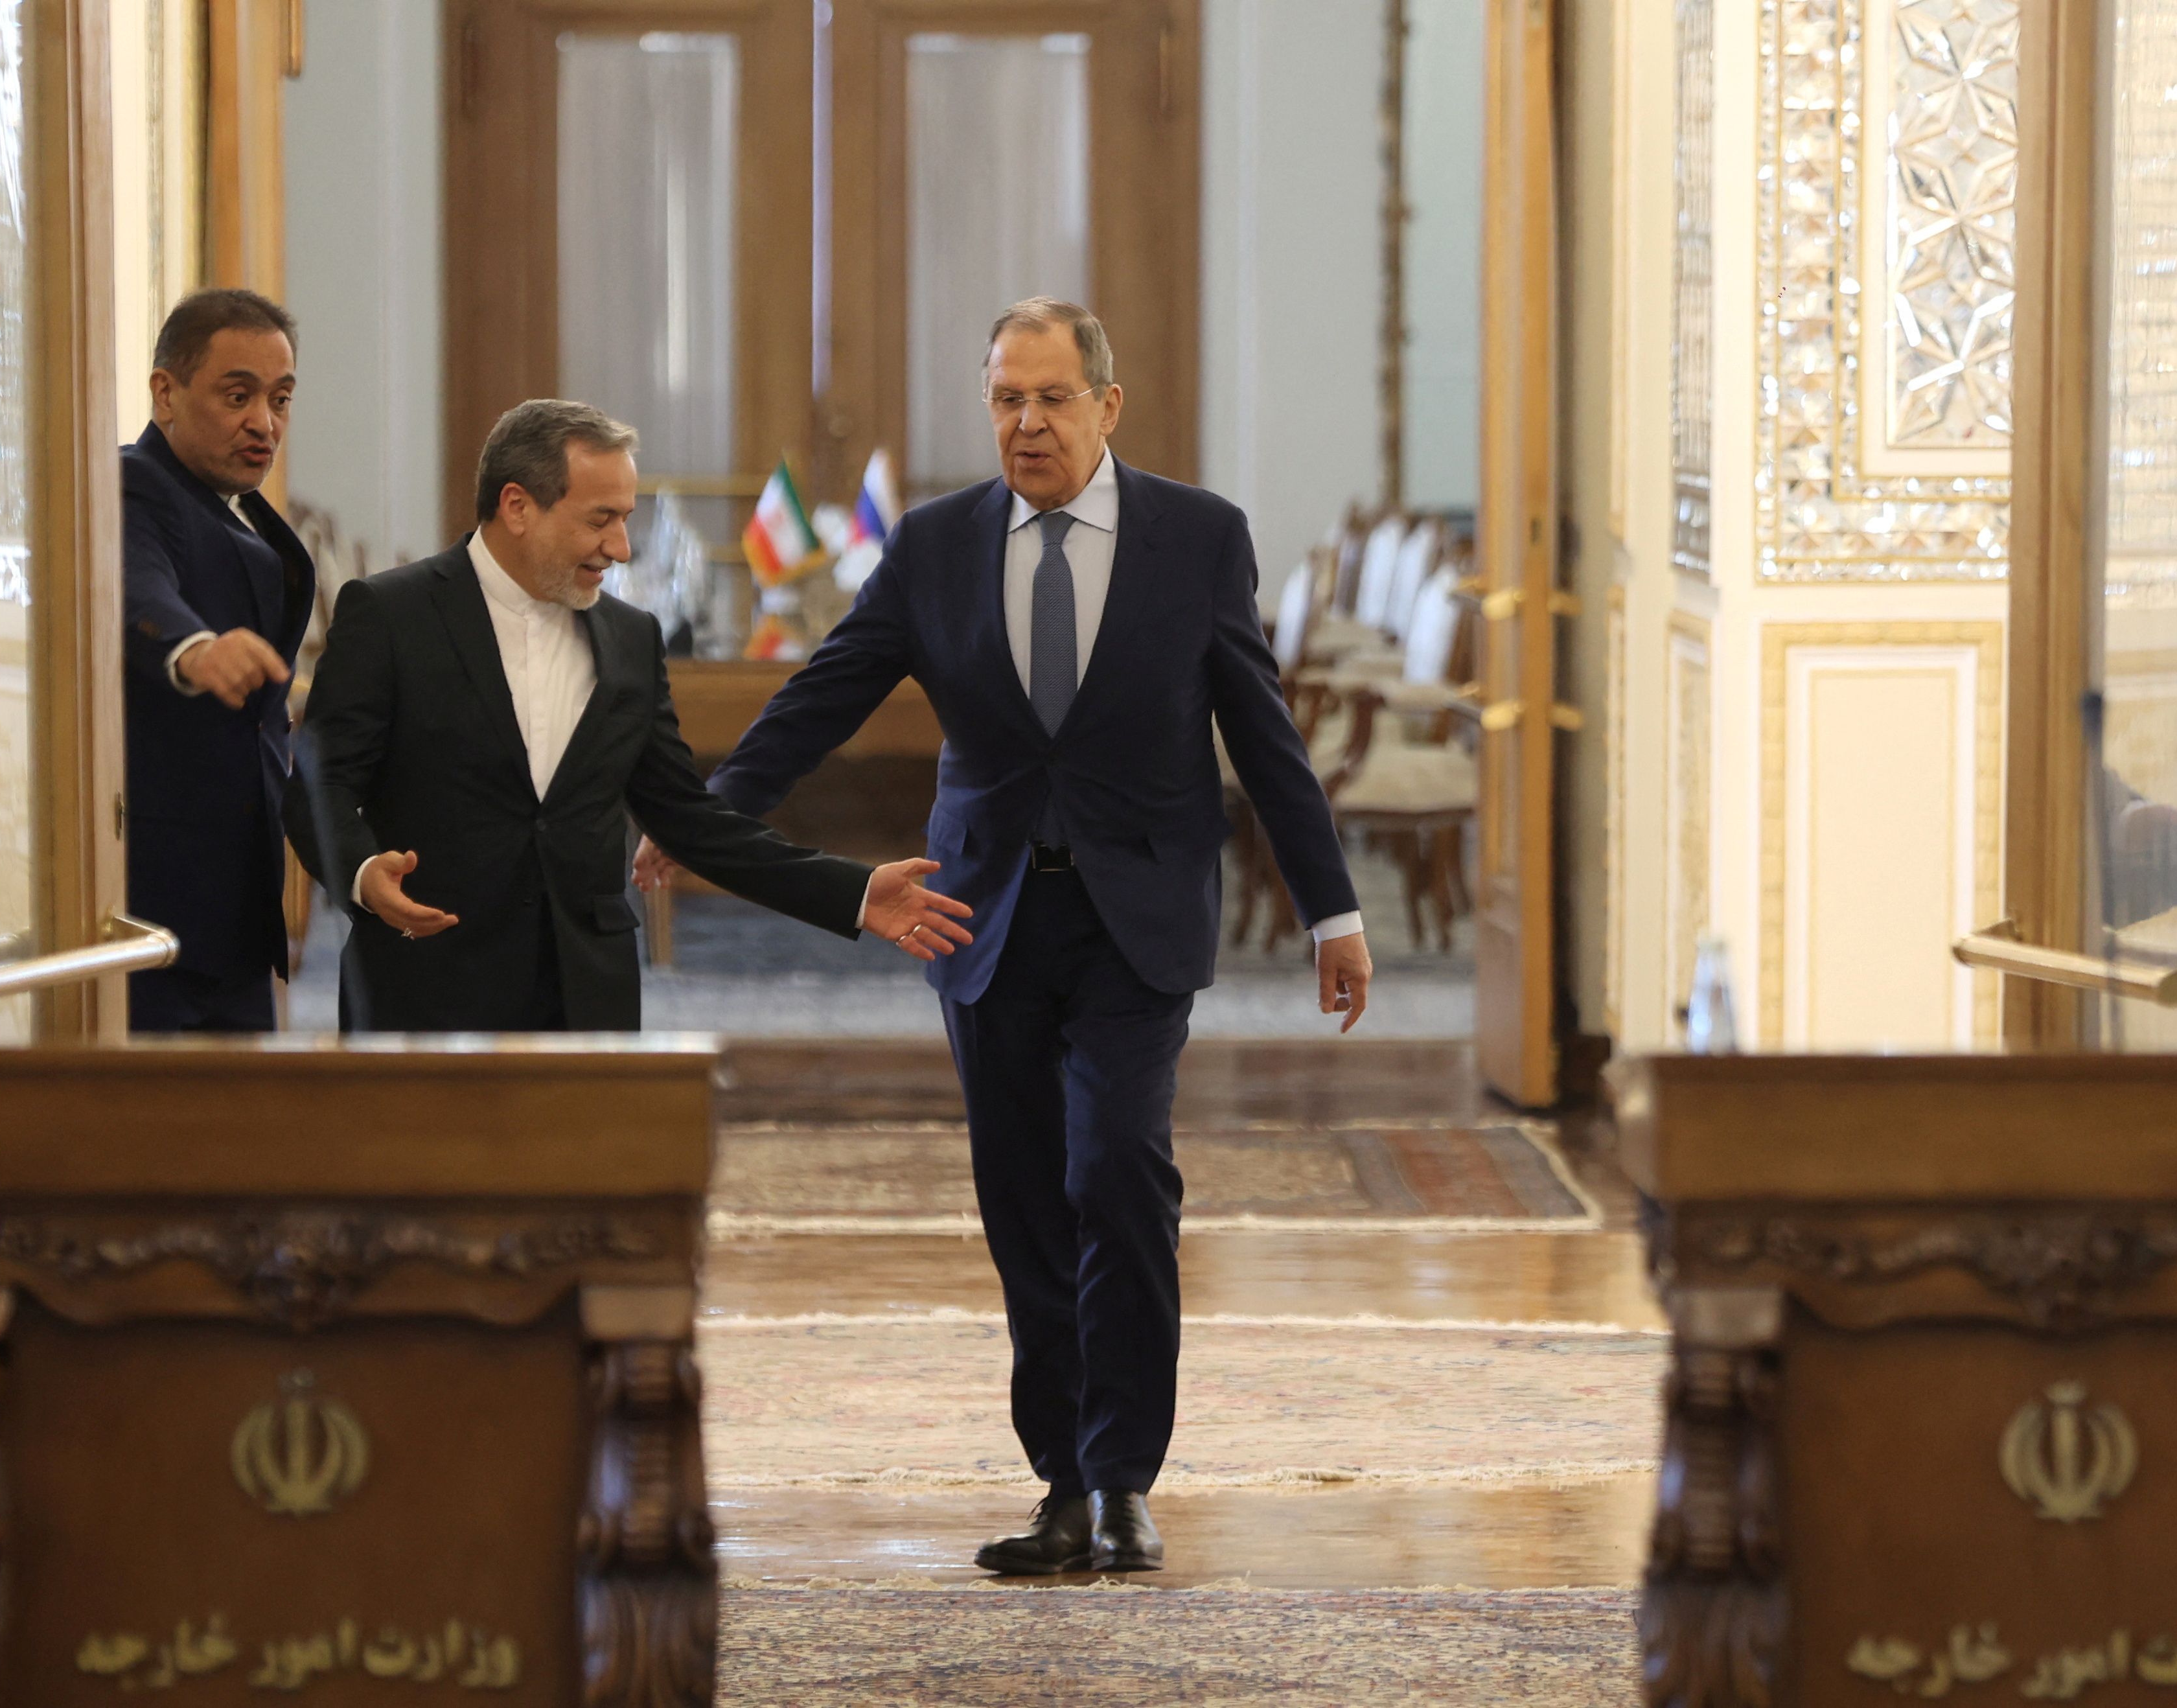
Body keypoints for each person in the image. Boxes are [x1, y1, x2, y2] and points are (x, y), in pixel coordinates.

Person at [658, 299, 1372, 1573]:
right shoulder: (934, 546)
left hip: (1135, 916)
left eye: (1048, 398)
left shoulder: (1195, 539)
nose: (1024, 422)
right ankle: (1058, 1481)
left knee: (1117, 1170)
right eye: (1002, 399)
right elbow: (819, 696)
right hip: (978, 916)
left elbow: (1258, 730)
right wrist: (703, 824)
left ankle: (1121, 1479)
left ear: (1107, 405)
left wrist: (1333, 908)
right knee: (1025, 1201)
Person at [285, 398, 972, 1032]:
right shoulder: (389, 615)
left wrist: (852, 893)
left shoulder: (630, 638)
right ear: (518, 506)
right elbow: (320, 784)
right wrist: (361, 872)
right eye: (600, 519)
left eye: (625, 518)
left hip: (588, 994)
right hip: (422, 983)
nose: (620, 548)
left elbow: (690, 820)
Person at [121, 289, 317, 1032]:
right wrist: (194, 649)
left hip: (239, 902)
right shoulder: (136, 484)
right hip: (162, 912)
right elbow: (132, 582)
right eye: (238, 396)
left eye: (280, 399)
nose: (264, 423)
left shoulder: (243, 511)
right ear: (165, 393)